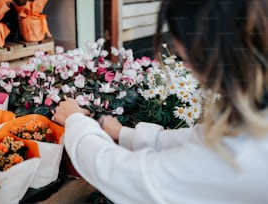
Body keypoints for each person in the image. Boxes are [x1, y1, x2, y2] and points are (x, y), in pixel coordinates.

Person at [52, 0, 268, 203]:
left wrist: (77, 121)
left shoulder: (240, 154)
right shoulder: (256, 110)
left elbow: (129, 177)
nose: (187, 68)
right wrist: (124, 134)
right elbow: (202, 138)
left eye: (188, 58)